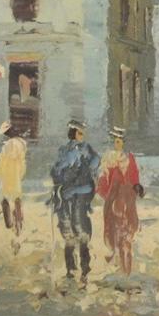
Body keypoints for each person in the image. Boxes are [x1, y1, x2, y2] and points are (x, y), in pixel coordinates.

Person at [49, 118, 101, 288]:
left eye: (82, 133)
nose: (81, 136)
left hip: (80, 195)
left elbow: (94, 165)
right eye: (79, 133)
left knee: (81, 231)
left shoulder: (86, 150)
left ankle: (85, 269)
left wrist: (77, 186)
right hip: (65, 198)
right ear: (73, 133)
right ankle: (70, 270)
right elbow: (56, 171)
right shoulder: (64, 150)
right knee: (68, 233)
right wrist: (59, 187)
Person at [96, 127, 144, 276]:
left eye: (121, 141)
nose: (119, 144)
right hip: (114, 205)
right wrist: (109, 197)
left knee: (127, 240)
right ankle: (120, 268)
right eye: (117, 141)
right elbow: (103, 183)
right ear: (113, 142)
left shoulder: (129, 158)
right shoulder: (108, 160)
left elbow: (135, 176)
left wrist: (137, 187)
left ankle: (127, 272)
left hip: (128, 204)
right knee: (117, 238)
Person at [0, 119, 27, 252]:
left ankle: (13, 228)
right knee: (16, 200)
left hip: (9, 176)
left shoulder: (10, 144)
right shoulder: (21, 143)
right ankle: (18, 229)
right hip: (16, 176)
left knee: (7, 201)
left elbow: (3, 163)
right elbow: (22, 163)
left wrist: (1, 174)